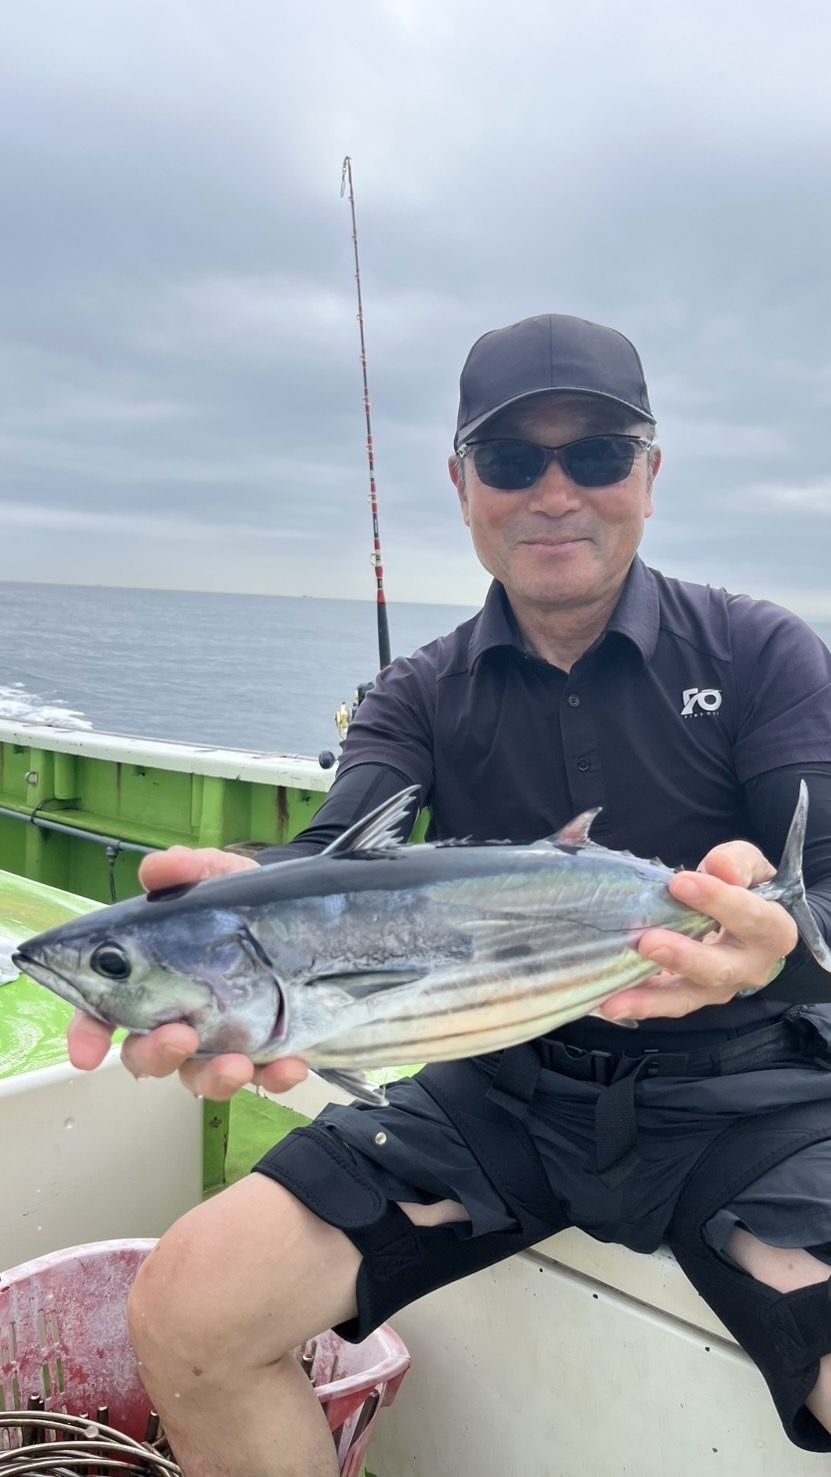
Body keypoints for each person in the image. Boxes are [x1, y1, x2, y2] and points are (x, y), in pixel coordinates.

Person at [69, 314, 831, 1473]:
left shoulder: (761, 651)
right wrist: (243, 904)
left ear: (650, 474)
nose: (555, 493)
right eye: (514, 460)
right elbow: (329, 858)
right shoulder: (416, 692)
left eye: (597, 454)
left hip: (748, 1101)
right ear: (464, 485)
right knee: (190, 1309)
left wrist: (774, 946)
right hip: (501, 1082)